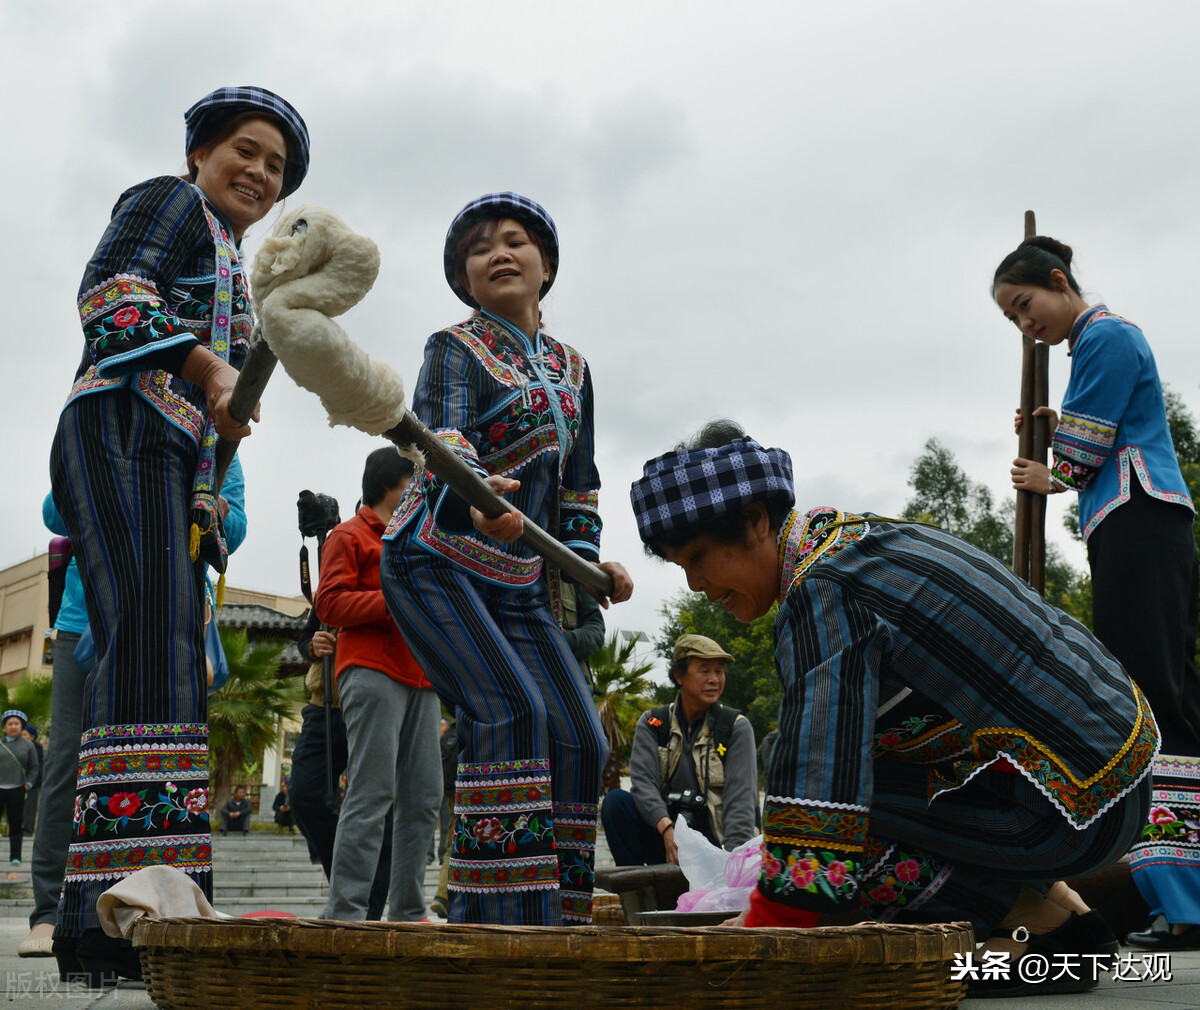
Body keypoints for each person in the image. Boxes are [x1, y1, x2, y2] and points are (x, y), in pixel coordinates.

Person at [630, 421, 1157, 997]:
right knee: (852, 770)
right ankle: (1067, 912)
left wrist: (766, 929)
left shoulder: (822, 588)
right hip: (1119, 774)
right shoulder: (857, 538)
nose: (696, 584)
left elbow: (821, 777)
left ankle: (1043, 932)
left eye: (700, 557)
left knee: (826, 810)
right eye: (681, 567)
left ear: (757, 519)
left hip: (1068, 807)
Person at [47, 86, 309, 983]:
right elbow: (111, 291)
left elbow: (213, 421)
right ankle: (122, 911)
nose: (259, 172)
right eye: (245, 149)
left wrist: (210, 484)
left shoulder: (239, 272)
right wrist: (205, 367)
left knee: (166, 667)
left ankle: (127, 909)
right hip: (117, 427)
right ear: (199, 152)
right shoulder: (168, 199)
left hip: (167, 456)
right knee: (145, 658)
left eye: (275, 166)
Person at [380, 192, 633, 926]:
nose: (498, 253)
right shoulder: (452, 348)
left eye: (515, 241)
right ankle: (491, 923)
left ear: (546, 266)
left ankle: (560, 917)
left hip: (521, 581)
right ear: (465, 280)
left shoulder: (574, 368)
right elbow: (443, 445)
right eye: (479, 248)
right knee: (511, 712)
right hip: (435, 560)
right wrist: (475, 496)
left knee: (581, 737)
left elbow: (577, 487)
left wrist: (590, 572)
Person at [993, 237, 1200, 950]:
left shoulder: (1105, 336)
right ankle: (1179, 891)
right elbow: (1099, 427)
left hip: (1137, 518)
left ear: (1058, 281)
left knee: (1149, 701)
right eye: (1014, 320)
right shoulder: (1099, 347)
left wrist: (1047, 469)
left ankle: (1182, 896)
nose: (1027, 326)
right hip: (1141, 523)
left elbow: (1085, 451)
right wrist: (1058, 425)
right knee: (1169, 696)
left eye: (1026, 306)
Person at [22, 464, 245, 960]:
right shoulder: (100, 409)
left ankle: (156, 904)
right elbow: (53, 513)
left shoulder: (209, 434)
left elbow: (238, 528)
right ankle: (46, 911)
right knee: (66, 762)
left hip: (169, 615)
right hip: (88, 619)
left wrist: (213, 509)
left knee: (164, 762)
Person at [317, 447, 442, 923]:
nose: (419, 489)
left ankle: (409, 910)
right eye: (414, 479)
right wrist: (394, 600)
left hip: (422, 677)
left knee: (425, 797)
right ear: (394, 483)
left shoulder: (421, 537)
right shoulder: (348, 535)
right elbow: (329, 604)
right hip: (370, 670)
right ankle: (345, 913)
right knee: (371, 794)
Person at [602, 634, 758, 866]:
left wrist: (734, 867)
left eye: (720, 671)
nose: (714, 679)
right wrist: (667, 828)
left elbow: (741, 803)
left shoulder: (735, 727)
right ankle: (637, 891)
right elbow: (643, 785)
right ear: (678, 675)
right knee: (616, 803)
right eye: (704, 670)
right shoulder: (654, 723)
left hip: (714, 844)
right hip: (666, 836)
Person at [288, 612, 392, 920]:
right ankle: (349, 892)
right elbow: (307, 638)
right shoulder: (328, 579)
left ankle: (365, 910)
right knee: (305, 796)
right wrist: (312, 645)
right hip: (325, 703)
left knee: (377, 805)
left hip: (380, 699)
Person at [0, 711, 38, 867]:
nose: (13, 726)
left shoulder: (28, 745)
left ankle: (15, 857)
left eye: (16, 724)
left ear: (22, 726)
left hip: (17, 789)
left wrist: (28, 784)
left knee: (16, 824)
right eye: (10, 724)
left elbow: (34, 767)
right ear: (4, 727)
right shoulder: (1, 744)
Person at [20, 726, 43, 836]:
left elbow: (33, 764)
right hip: (17, 782)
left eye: (25, 735)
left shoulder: (37, 747)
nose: (22, 737)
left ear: (32, 737)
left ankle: (28, 830)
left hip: (33, 782)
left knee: (30, 807)